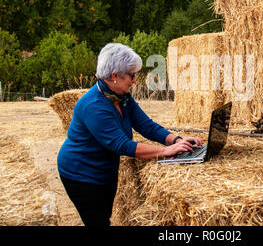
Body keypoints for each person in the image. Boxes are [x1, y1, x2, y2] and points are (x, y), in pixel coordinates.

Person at [57, 43, 202, 226]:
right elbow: (122, 145)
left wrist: (177, 140)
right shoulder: (93, 106)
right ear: (114, 76)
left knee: (105, 217)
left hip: (104, 170)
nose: (134, 80)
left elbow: (146, 126)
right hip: (80, 173)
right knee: (97, 222)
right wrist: (166, 151)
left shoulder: (121, 96)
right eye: (132, 75)